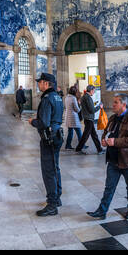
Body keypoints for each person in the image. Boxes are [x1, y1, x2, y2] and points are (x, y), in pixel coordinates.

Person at [88, 93, 128, 219]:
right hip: (113, 159)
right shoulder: (112, 118)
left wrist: (115, 141)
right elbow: (106, 132)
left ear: (124, 104)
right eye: (113, 102)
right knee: (109, 187)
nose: (113, 105)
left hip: (127, 160)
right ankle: (102, 210)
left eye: (116, 102)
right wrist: (103, 140)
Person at [29, 73, 65, 217]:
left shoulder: (46, 98)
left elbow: (43, 122)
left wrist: (33, 122)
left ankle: (52, 205)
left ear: (46, 83)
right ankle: (57, 198)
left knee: (48, 170)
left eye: (40, 82)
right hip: (57, 135)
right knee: (55, 167)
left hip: (48, 138)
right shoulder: (57, 97)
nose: (38, 84)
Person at [75, 85, 104, 155]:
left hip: (87, 118)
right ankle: (78, 149)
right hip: (89, 119)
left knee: (93, 135)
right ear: (91, 90)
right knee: (86, 135)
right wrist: (99, 107)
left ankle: (99, 149)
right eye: (94, 91)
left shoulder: (84, 97)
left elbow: (87, 107)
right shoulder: (88, 98)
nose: (94, 92)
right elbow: (91, 110)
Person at [64, 86, 82, 151]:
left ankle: (67, 146)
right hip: (73, 118)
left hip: (68, 117)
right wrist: (79, 104)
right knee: (79, 131)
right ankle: (82, 145)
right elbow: (77, 109)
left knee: (70, 132)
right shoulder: (73, 98)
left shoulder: (66, 97)